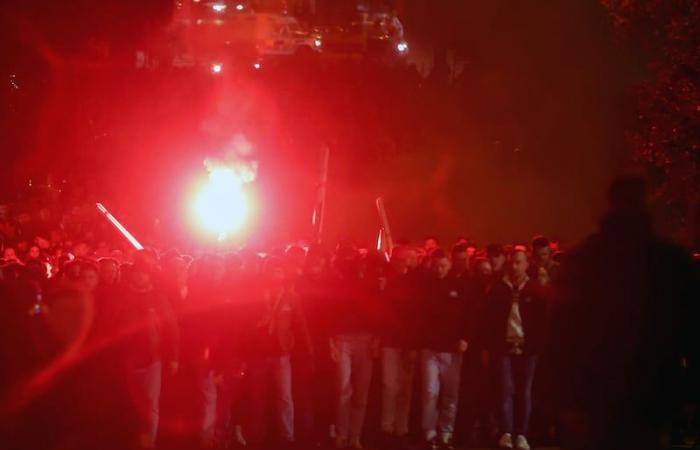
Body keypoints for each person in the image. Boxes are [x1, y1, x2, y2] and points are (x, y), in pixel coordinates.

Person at [554, 175, 698, 450]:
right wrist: (688, 389)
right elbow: (690, 330)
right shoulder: (669, 260)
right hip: (651, 390)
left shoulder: (585, 260)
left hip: (597, 391)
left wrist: (564, 395)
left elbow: (562, 335)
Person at [242, 256, 312, 448]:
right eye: (274, 270)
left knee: (284, 396)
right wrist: (258, 320)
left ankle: (286, 436)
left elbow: (300, 323)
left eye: (280, 271)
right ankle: (255, 437)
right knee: (257, 397)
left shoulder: (290, 296)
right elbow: (244, 323)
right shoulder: (255, 294)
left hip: (281, 352)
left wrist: (307, 349)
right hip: (258, 352)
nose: (277, 274)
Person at [484, 250, 547, 450]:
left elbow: (542, 321)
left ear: (527, 264)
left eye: (519, 263)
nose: (515, 266)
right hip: (503, 347)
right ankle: (507, 432)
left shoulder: (535, 290)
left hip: (528, 349)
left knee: (524, 392)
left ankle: (521, 433)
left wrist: (536, 345)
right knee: (506, 390)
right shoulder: (498, 290)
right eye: (512, 263)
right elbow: (489, 321)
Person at [417, 249, 470, 450]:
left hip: (452, 349)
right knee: (430, 391)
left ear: (449, 265)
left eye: (443, 266)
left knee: (450, 393)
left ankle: (446, 431)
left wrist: (465, 338)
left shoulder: (459, 286)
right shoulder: (426, 286)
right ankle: (429, 431)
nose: (439, 269)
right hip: (430, 348)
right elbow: (419, 316)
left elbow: (468, 315)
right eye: (436, 266)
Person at [329, 246, 379, 449]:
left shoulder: (371, 284)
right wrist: (330, 340)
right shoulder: (338, 283)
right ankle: (342, 434)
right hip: (343, 339)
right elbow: (329, 313)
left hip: (365, 339)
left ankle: (355, 435)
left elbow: (378, 312)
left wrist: (376, 338)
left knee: (360, 392)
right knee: (343, 389)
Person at [378, 246, 419, 447]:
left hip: (407, 342)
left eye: (406, 260)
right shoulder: (386, 282)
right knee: (389, 387)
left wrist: (412, 345)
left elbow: (416, 317)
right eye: (400, 260)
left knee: (405, 389)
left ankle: (401, 429)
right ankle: (387, 427)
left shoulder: (415, 284)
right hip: (390, 341)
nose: (403, 263)